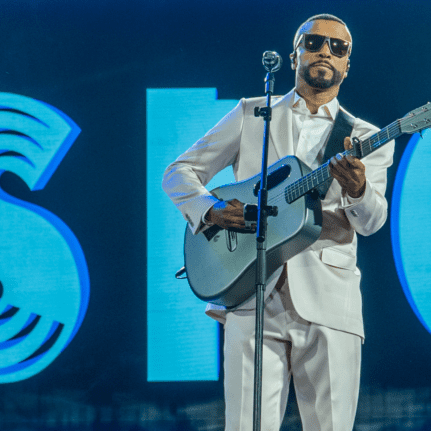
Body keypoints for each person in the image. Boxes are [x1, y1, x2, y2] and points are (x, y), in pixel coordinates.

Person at [162, 13, 395, 431]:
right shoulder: (253, 113)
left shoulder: (365, 137)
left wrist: (358, 189)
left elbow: (372, 222)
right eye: (314, 42)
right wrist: (208, 210)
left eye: (338, 48)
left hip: (330, 306)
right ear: (295, 55)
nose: (325, 51)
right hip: (252, 297)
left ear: (346, 65)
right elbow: (179, 173)